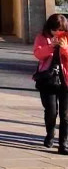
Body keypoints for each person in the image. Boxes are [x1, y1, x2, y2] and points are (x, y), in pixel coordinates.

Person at [34, 13, 68, 152]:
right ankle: (50, 134)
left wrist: (64, 49)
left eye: (61, 30)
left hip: (66, 80)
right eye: (54, 30)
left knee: (65, 114)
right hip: (48, 79)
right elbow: (38, 54)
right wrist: (51, 47)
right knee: (51, 111)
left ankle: (63, 143)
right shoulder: (42, 37)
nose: (57, 32)